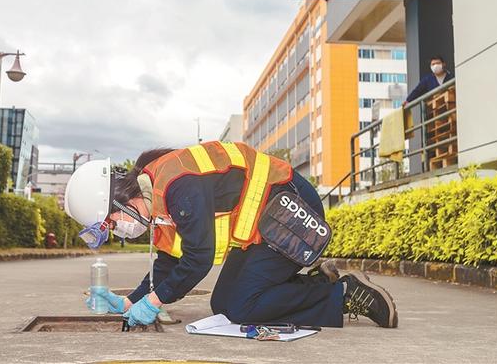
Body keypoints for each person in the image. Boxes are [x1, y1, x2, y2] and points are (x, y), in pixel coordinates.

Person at [65, 141, 398, 329]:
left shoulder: (178, 186)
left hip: (291, 215)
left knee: (242, 308)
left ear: (120, 199)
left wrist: (154, 302)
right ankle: (320, 282)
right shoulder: (157, 196)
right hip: (261, 231)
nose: (118, 230)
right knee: (223, 305)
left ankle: (342, 294)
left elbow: (198, 259)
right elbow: (169, 261)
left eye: (111, 223)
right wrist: (129, 302)